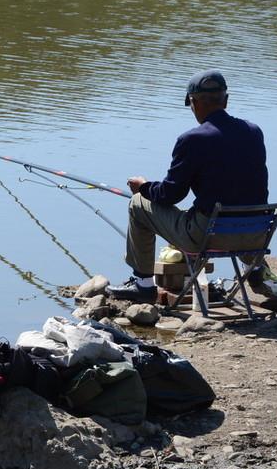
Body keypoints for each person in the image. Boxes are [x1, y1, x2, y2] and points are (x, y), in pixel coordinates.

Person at [105, 70, 268, 303]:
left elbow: (171, 194)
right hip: (257, 236)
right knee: (239, 206)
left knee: (138, 205)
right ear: (226, 100)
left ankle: (143, 285)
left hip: (209, 237)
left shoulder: (192, 139)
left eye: (190, 104)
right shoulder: (254, 132)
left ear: (193, 102)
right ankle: (254, 270)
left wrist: (143, 187)